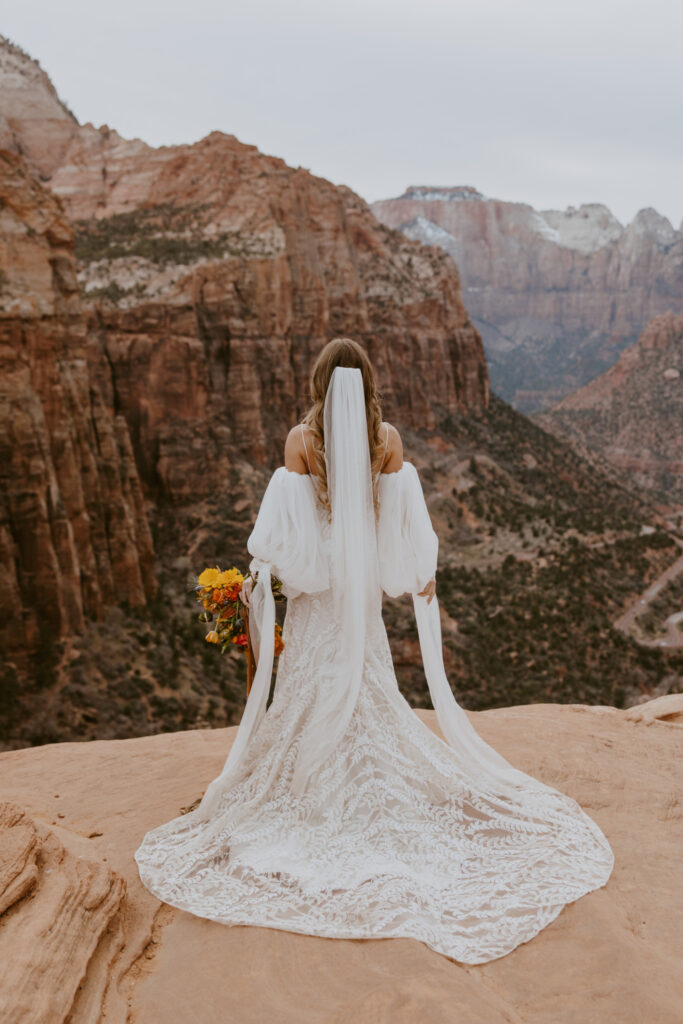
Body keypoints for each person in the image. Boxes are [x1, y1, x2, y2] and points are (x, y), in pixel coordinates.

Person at [134, 337, 614, 964]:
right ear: (368, 381)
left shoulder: (300, 443)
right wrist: (417, 571)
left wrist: (266, 578)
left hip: (323, 585)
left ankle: (306, 781)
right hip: (359, 584)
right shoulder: (387, 440)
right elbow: (401, 523)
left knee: (312, 676)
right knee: (366, 676)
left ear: (318, 381)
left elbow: (289, 539)